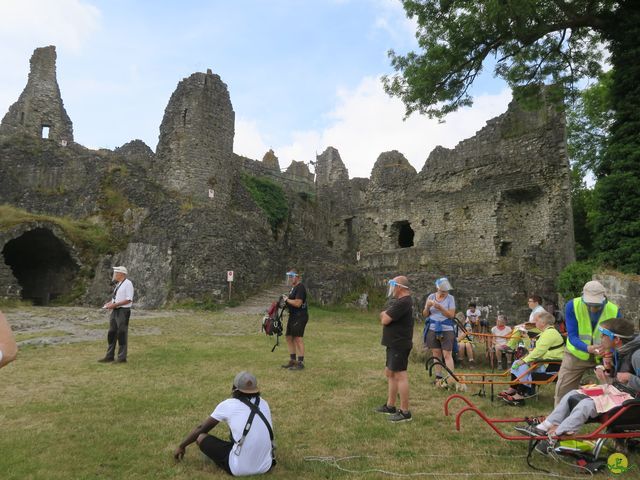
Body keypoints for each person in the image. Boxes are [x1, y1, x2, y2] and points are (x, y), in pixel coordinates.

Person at [515, 318, 639, 448]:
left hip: (631, 399)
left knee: (587, 404)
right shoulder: (620, 351)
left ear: (616, 339)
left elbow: (627, 378)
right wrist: (608, 370)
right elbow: (618, 376)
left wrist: (630, 377)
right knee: (573, 393)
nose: (600, 338)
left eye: (603, 335)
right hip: (618, 391)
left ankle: (556, 436)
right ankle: (543, 427)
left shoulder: (637, 355)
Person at [174, 371, 275, 476]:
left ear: (234, 388)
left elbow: (201, 428)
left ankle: (232, 460)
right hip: (266, 466)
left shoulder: (228, 405)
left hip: (238, 469)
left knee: (201, 437)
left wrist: (182, 446)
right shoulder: (264, 403)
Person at [554, 280, 621, 405]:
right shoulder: (572, 306)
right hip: (576, 354)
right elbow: (572, 336)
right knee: (563, 390)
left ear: (604, 298)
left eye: (596, 305)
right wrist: (588, 348)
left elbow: (618, 338)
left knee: (613, 389)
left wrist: (609, 353)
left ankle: (611, 414)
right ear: (582, 297)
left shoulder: (614, 310)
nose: (593, 308)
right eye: (589, 304)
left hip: (603, 355)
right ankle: (559, 416)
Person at [499, 311, 564, 405]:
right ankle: (513, 389)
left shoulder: (550, 333)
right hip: (544, 363)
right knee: (517, 363)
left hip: (551, 365)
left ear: (543, 323)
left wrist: (524, 361)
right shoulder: (546, 332)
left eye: (537, 321)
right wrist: (526, 338)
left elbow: (538, 352)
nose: (534, 323)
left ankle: (520, 395)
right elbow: (533, 349)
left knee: (522, 366)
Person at [375, 275, 413, 423]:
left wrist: (383, 314)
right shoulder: (401, 302)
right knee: (390, 372)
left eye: (393, 286)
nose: (392, 289)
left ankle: (405, 412)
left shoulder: (403, 302)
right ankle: (390, 406)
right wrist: (385, 314)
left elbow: (385, 319)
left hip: (399, 344)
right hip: (394, 343)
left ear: (399, 287)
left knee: (400, 375)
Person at [98, 266, 134, 363]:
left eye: (116, 273)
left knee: (122, 333)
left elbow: (129, 299)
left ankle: (122, 357)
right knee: (112, 333)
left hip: (123, 311)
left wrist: (115, 305)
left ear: (121, 274)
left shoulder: (128, 284)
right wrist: (110, 303)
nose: (115, 275)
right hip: (115, 311)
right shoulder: (118, 284)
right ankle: (109, 356)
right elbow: (116, 298)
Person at [423, 277, 456, 379]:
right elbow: (425, 314)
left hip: (446, 329)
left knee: (447, 354)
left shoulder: (450, 298)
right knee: (436, 353)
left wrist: (441, 308)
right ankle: (438, 377)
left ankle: (451, 378)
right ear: (437, 288)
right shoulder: (431, 297)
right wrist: (427, 307)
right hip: (433, 328)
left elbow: (451, 315)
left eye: (446, 290)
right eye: (442, 290)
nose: (445, 292)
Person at [281, 270, 308, 370]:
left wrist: (287, 299)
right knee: (289, 337)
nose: (290, 279)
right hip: (293, 315)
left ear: (297, 277)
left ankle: (300, 363)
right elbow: (291, 303)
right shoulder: (293, 288)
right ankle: (293, 361)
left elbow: (298, 303)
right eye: (289, 277)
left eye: (291, 276)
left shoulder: (300, 287)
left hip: (300, 316)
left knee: (297, 338)